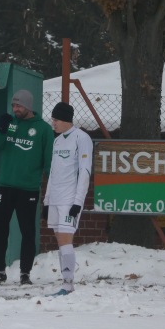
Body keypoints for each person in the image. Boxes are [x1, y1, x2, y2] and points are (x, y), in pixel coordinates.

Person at [0, 89, 54, 286]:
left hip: (28, 189)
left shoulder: (43, 129)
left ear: (28, 106)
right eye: (14, 105)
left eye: (19, 106)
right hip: (5, 186)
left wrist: (51, 189)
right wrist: (0, 130)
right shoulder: (10, 124)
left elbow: (49, 162)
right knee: (0, 229)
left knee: (27, 231)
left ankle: (25, 272)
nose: (15, 109)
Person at [42, 102, 93, 295]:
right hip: (55, 199)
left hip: (69, 200)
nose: (53, 123)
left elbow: (85, 171)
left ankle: (68, 284)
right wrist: (47, 201)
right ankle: (65, 281)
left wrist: (78, 202)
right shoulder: (57, 141)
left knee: (65, 239)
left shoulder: (82, 138)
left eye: (55, 119)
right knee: (60, 240)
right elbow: (53, 173)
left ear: (65, 120)